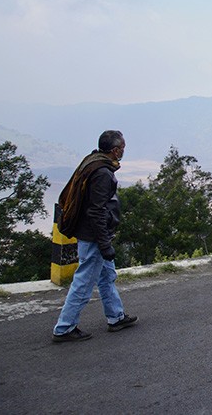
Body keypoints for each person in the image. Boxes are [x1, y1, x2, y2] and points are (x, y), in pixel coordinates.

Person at [52, 130, 137, 342]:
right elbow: (97, 211)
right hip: (94, 237)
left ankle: (116, 317)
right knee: (84, 281)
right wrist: (104, 243)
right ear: (115, 150)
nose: (123, 151)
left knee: (107, 276)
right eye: (122, 148)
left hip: (90, 233)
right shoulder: (102, 174)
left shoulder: (92, 162)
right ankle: (64, 328)